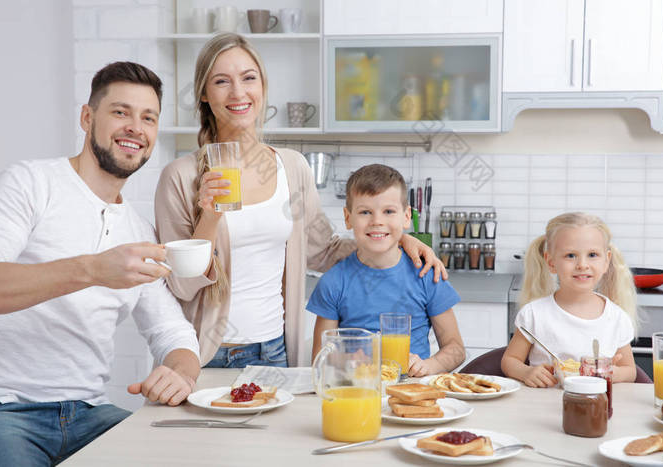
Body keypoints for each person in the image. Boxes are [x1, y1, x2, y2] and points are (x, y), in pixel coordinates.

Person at [154, 33, 446, 369]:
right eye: (222, 81)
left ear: (262, 86)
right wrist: (210, 216)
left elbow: (323, 251)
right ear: (204, 94)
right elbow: (180, 285)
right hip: (206, 356)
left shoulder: (292, 167)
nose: (238, 92)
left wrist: (397, 239)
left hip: (276, 352)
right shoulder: (180, 176)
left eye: (249, 78)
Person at [0, 62, 201, 467]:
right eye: (121, 112)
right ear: (87, 117)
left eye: (147, 118)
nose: (135, 127)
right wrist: (93, 270)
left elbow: (173, 332)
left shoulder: (137, 230)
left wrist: (180, 374)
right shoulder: (31, 183)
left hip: (89, 414)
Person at [307, 164, 465, 377]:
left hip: (411, 393)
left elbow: (455, 350)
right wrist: (345, 362)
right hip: (356, 392)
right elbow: (320, 359)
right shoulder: (333, 282)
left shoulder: (427, 274)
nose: (377, 221)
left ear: (406, 216)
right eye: (365, 212)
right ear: (348, 218)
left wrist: (430, 365)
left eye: (389, 211)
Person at [501, 212, 638, 387]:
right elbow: (510, 360)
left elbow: (630, 370)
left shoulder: (617, 318)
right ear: (551, 263)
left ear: (606, 261)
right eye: (571, 256)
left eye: (592, 255)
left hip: (596, 407)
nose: (582, 264)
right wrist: (526, 372)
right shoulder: (534, 314)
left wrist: (613, 372)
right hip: (540, 406)